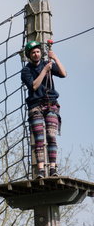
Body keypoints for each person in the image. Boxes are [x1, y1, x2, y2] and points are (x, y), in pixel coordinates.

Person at [21, 40, 67, 178]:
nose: (36, 54)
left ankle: (53, 169)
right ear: (29, 55)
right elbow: (34, 86)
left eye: (37, 52)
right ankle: (41, 170)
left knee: (51, 136)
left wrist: (55, 58)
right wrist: (45, 70)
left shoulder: (48, 64)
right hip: (35, 106)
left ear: (41, 53)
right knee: (39, 139)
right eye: (33, 52)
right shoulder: (26, 71)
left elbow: (64, 73)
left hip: (50, 103)